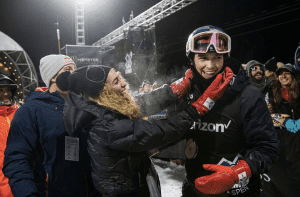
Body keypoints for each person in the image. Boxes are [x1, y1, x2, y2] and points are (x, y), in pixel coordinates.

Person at [56, 63, 233, 196]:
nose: (124, 83)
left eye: (119, 76)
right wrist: (197, 108)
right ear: (102, 94)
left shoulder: (101, 107)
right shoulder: (106, 125)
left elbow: (141, 103)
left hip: (135, 183)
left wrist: (175, 89)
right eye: (116, 81)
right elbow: (159, 130)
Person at [172, 25, 279, 196]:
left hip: (239, 191)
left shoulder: (248, 96)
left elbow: (267, 147)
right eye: (203, 58)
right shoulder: (187, 94)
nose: (211, 65)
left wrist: (238, 173)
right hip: (194, 189)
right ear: (191, 59)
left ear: (225, 58)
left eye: (217, 58)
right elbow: (168, 130)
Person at [3, 54, 99, 197]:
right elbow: (17, 160)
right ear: (53, 77)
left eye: (75, 69)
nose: (75, 73)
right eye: (68, 69)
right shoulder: (31, 110)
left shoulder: (85, 108)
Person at [262, 63, 300, 197]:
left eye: (287, 73)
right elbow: (266, 116)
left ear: (293, 76)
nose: (283, 76)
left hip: (296, 140)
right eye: (280, 74)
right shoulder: (271, 92)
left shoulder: (298, 90)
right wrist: (282, 119)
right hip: (279, 139)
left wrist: (296, 123)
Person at [0, 74, 19, 197]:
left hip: (18, 177)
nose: (6, 94)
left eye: (8, 90)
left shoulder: (20, 114)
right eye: (1, 90)